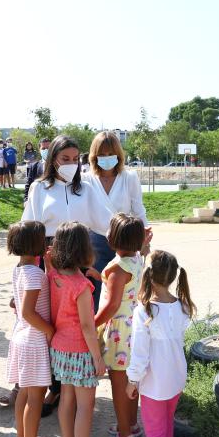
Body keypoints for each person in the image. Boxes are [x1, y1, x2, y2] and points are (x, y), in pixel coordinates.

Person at [22, 135, 115, 417]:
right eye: (65, 159)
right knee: (48, 324)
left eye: (76, 159)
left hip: (79, 263)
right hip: (48, 262)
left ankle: (66, 389)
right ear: (52, 159)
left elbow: (106, 219)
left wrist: (130, 240)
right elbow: (29, 225)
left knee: (74, 324)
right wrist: (26, 269)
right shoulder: (39, 187)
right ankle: (49, 385)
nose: (72, 164)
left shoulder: (86, 187)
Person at [126, 250, 195, 437]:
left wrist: (132, 380)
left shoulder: (144, 311)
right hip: (176, 379)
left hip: (154, 384)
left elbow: (140, 353)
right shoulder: (182, 307)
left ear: (148, 275)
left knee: (155, 433)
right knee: (166, 425)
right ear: (174, 276)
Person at [48, 222, 105, 437]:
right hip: (81, 352)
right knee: (85, 407)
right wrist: (98, 358)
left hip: (60, 349)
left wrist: (50, 258)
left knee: (66, 400)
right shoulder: (82, 286)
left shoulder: (54, 276)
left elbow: (52, 264)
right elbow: (86, 327)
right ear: (85, 249)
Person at [5, 220, 61, 437]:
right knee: (35, 397)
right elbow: (28, 311)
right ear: (35, 244)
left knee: (24, 394)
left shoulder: (20, 269)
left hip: (22, 337)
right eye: (43, 239)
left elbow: (18, 306)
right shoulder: (34, 274)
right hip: (34, 340)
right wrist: (49, 330)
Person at [93, 214, 148, 437]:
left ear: (112, 238)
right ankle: (132, 424)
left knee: (118, 384)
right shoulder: (136, 260)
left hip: (119, 331)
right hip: (135, 326)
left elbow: (112, 304)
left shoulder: (117, 268)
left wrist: (93, 324)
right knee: (131, 380)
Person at [86, 131, 150, 308]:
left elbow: (138, 209)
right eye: (102, 154)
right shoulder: (86, 179)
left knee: (124, 293)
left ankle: (122, 333)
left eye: (110, 154)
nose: (106, 158)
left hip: (126, 243)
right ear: (94, 156)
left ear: (118, 155)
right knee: (96, 291)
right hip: (95, 244)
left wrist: (144, 239)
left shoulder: (129, 177)